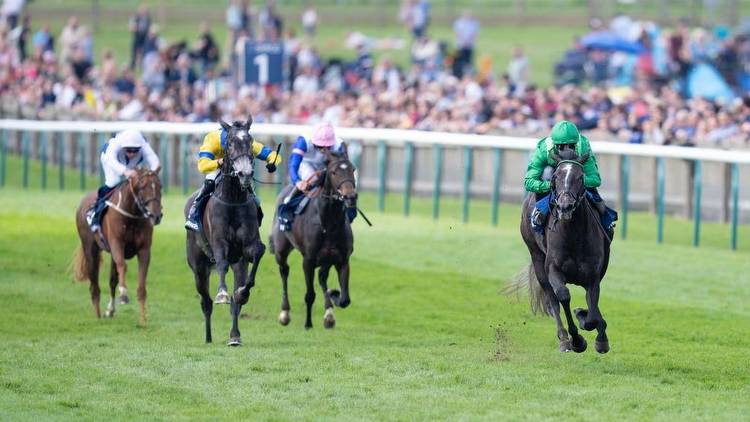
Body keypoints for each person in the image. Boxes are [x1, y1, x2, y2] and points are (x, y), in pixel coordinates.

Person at [524, 120, 616, 237]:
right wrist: (549, 185)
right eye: (561, 147)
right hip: (552, 176)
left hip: (575, 177)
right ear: (554, 144)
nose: (566, 149)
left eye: (571, 146)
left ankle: (606, 224)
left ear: (576, 143)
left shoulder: (583, 147)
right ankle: (537, 218)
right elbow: (529, 182)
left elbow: (595, 179)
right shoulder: (544, 149)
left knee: (598, 202)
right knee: (547, 172)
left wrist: (574, 181)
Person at [184, 124, 282, 232]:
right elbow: (202, 166)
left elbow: (272, 154)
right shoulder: (213, 138)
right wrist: (220, 161)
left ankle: (257, 213)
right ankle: (194, 214)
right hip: (218, 166)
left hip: (237, 167)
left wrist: (273, 162)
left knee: (250, 191)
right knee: (211, 180)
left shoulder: (244, 141)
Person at [277, 122, 355, 231]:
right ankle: (288, 206)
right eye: (319, 146)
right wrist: (298, 182)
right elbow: (293, 164)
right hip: (306, 164)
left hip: (327, 166)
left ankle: (349, 214)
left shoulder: (339, 145)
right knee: (313, 179)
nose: (323, 150)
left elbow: (343, 169)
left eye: (327, 147)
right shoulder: (303, 141)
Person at [88, 130, 160, 232]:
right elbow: (111, 160)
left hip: (129, 163)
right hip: (110, 160)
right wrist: (125, 171)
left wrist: (151, 173)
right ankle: (95, 213)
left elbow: (155, 161)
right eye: (128, 150)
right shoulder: (115, 145)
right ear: (123, 147)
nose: (131, 153)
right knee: (114, 181)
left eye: (135, 150)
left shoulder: (144, 144)